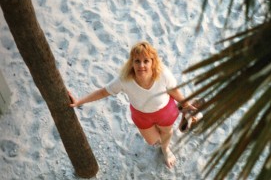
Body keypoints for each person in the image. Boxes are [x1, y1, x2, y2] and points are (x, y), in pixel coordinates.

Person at [68, 41, 195, 169]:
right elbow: (103, 92)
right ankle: (163, 140)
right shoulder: (124, 79)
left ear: (152, 62)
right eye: (137, 61)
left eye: (146, 61)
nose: (141, 65)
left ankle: (166, 150)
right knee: (152, 141)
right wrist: (79, 101)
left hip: (165, 111)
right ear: (132, 62)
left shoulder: (162, 74)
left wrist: (187, 105)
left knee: (167, 133)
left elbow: (174, 91)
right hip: (142, 116)